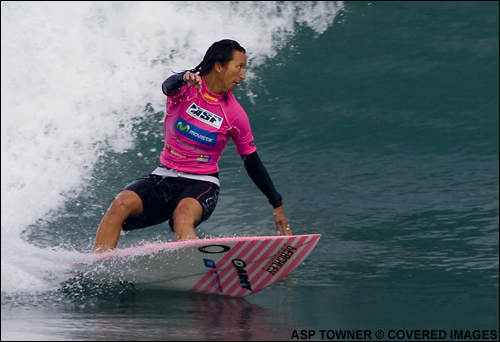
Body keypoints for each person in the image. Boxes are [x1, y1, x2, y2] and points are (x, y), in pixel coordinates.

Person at [93, 39, 291, 253]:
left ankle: (197, 269)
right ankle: (98, 267)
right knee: (120, 204)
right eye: (239, 67)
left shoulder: (234, 114)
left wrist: (276, 203)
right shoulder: (185, 90)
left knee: (183, 215)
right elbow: (167, 86)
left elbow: (251, 160)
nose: (242, 76)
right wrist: (182, 77)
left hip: (202, 183)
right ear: (218, 65)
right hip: (164, 175)